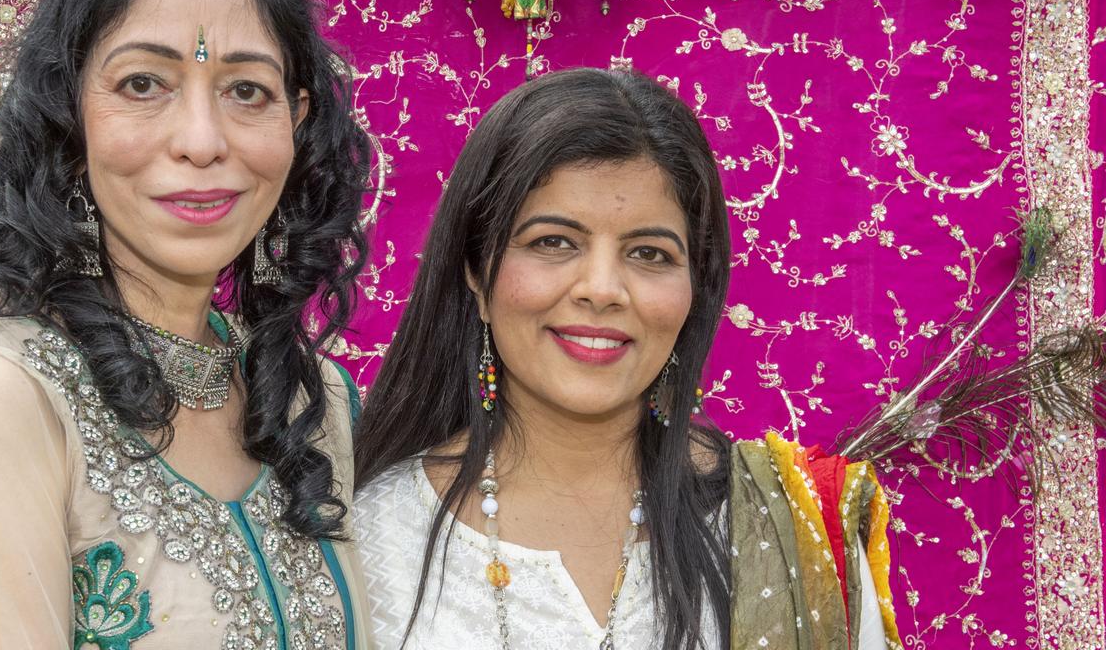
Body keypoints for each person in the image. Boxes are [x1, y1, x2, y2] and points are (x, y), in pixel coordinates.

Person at [0, 0, 375, 647]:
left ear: (296, 120)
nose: (201, 140)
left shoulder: (318, 407)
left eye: (247, 90)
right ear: (68, 114)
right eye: (143, 84)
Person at [352, 68, 899, 649]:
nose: (602, 288)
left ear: (695, 289)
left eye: (649, 253)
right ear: (476, 275)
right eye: (553, 242)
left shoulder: (792, 528)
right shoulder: (368, 538)